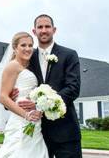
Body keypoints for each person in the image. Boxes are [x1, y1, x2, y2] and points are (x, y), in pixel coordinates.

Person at [13, 14, 82, 158]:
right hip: (36, 133)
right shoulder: (27, 57)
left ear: (54, 30)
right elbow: (15, 88)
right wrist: (13, 99)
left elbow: (73, 88)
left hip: (66, 132)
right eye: (40, 27)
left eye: (47, 26)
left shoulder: (69, 55)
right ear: (34, 31)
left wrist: (40, 106)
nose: (43, 30)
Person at [0, 32, 49, 158]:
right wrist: (26, 115)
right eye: (23, 45)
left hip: (33, 119)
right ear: (15, 48)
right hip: (21, 120)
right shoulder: (12, 66)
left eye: (30, 45)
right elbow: (3, 97)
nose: (28, 49)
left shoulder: (28, 66)